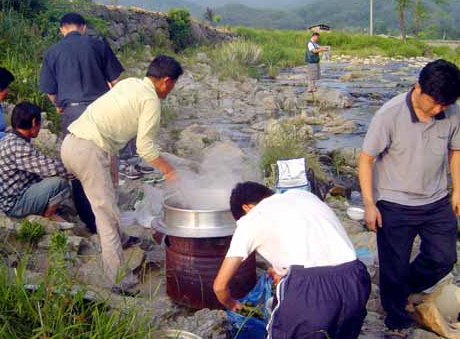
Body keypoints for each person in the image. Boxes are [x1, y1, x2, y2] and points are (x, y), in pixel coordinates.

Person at [60, 55, 183, 292]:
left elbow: (107, 120)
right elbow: (145, 148)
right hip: (88, 151)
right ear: (166, 81)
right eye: (173, 85)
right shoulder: (151, 101)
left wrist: (111, 162)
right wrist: (169, 171)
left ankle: (123, 240)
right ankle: (119, 280)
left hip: (70, 145)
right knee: (106, 215)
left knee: (107, 202)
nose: (171, 90)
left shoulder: (128, 84)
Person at [359, 59, 460, 338]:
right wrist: (369, 204)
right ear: (418, 88)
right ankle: (395, 317)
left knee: (444, 256)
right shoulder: (389, 115)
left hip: (436, 200)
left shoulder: (452, 111)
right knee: (393, 266)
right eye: (435, 103)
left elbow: (456, 151)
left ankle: (404, 288)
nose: (439, 110)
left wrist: (457, 191)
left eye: (445, 105)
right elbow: (366, 160)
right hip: (394, 203)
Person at [214, 182, 371, 339]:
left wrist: (232, 304)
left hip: (310, 293)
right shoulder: (304, 196)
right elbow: (312, 246)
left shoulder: (251, 219)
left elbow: (219, 287)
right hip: (355, 279)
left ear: (246, 208)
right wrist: (283, 271)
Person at [39, 12, 125, 233]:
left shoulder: (52, 52)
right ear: (83, 27)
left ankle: (88, 220)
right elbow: (116, 81)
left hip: (72, 114)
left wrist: (59, 105)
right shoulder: (97, 44)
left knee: (78, 167)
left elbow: (50, 91)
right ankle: (108, 220)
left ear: (62, 29)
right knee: (104, 162)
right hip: (100, 111)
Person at [0, 102, 72, 222]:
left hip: (13, 195)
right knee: (60, 182)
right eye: (39, 123)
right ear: (34, 122)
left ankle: (42, 206)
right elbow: (50, 167)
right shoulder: (18, 147)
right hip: (14, 204)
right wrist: (77, 170)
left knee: (53, 177)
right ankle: (48, 215)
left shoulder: (9, 138)